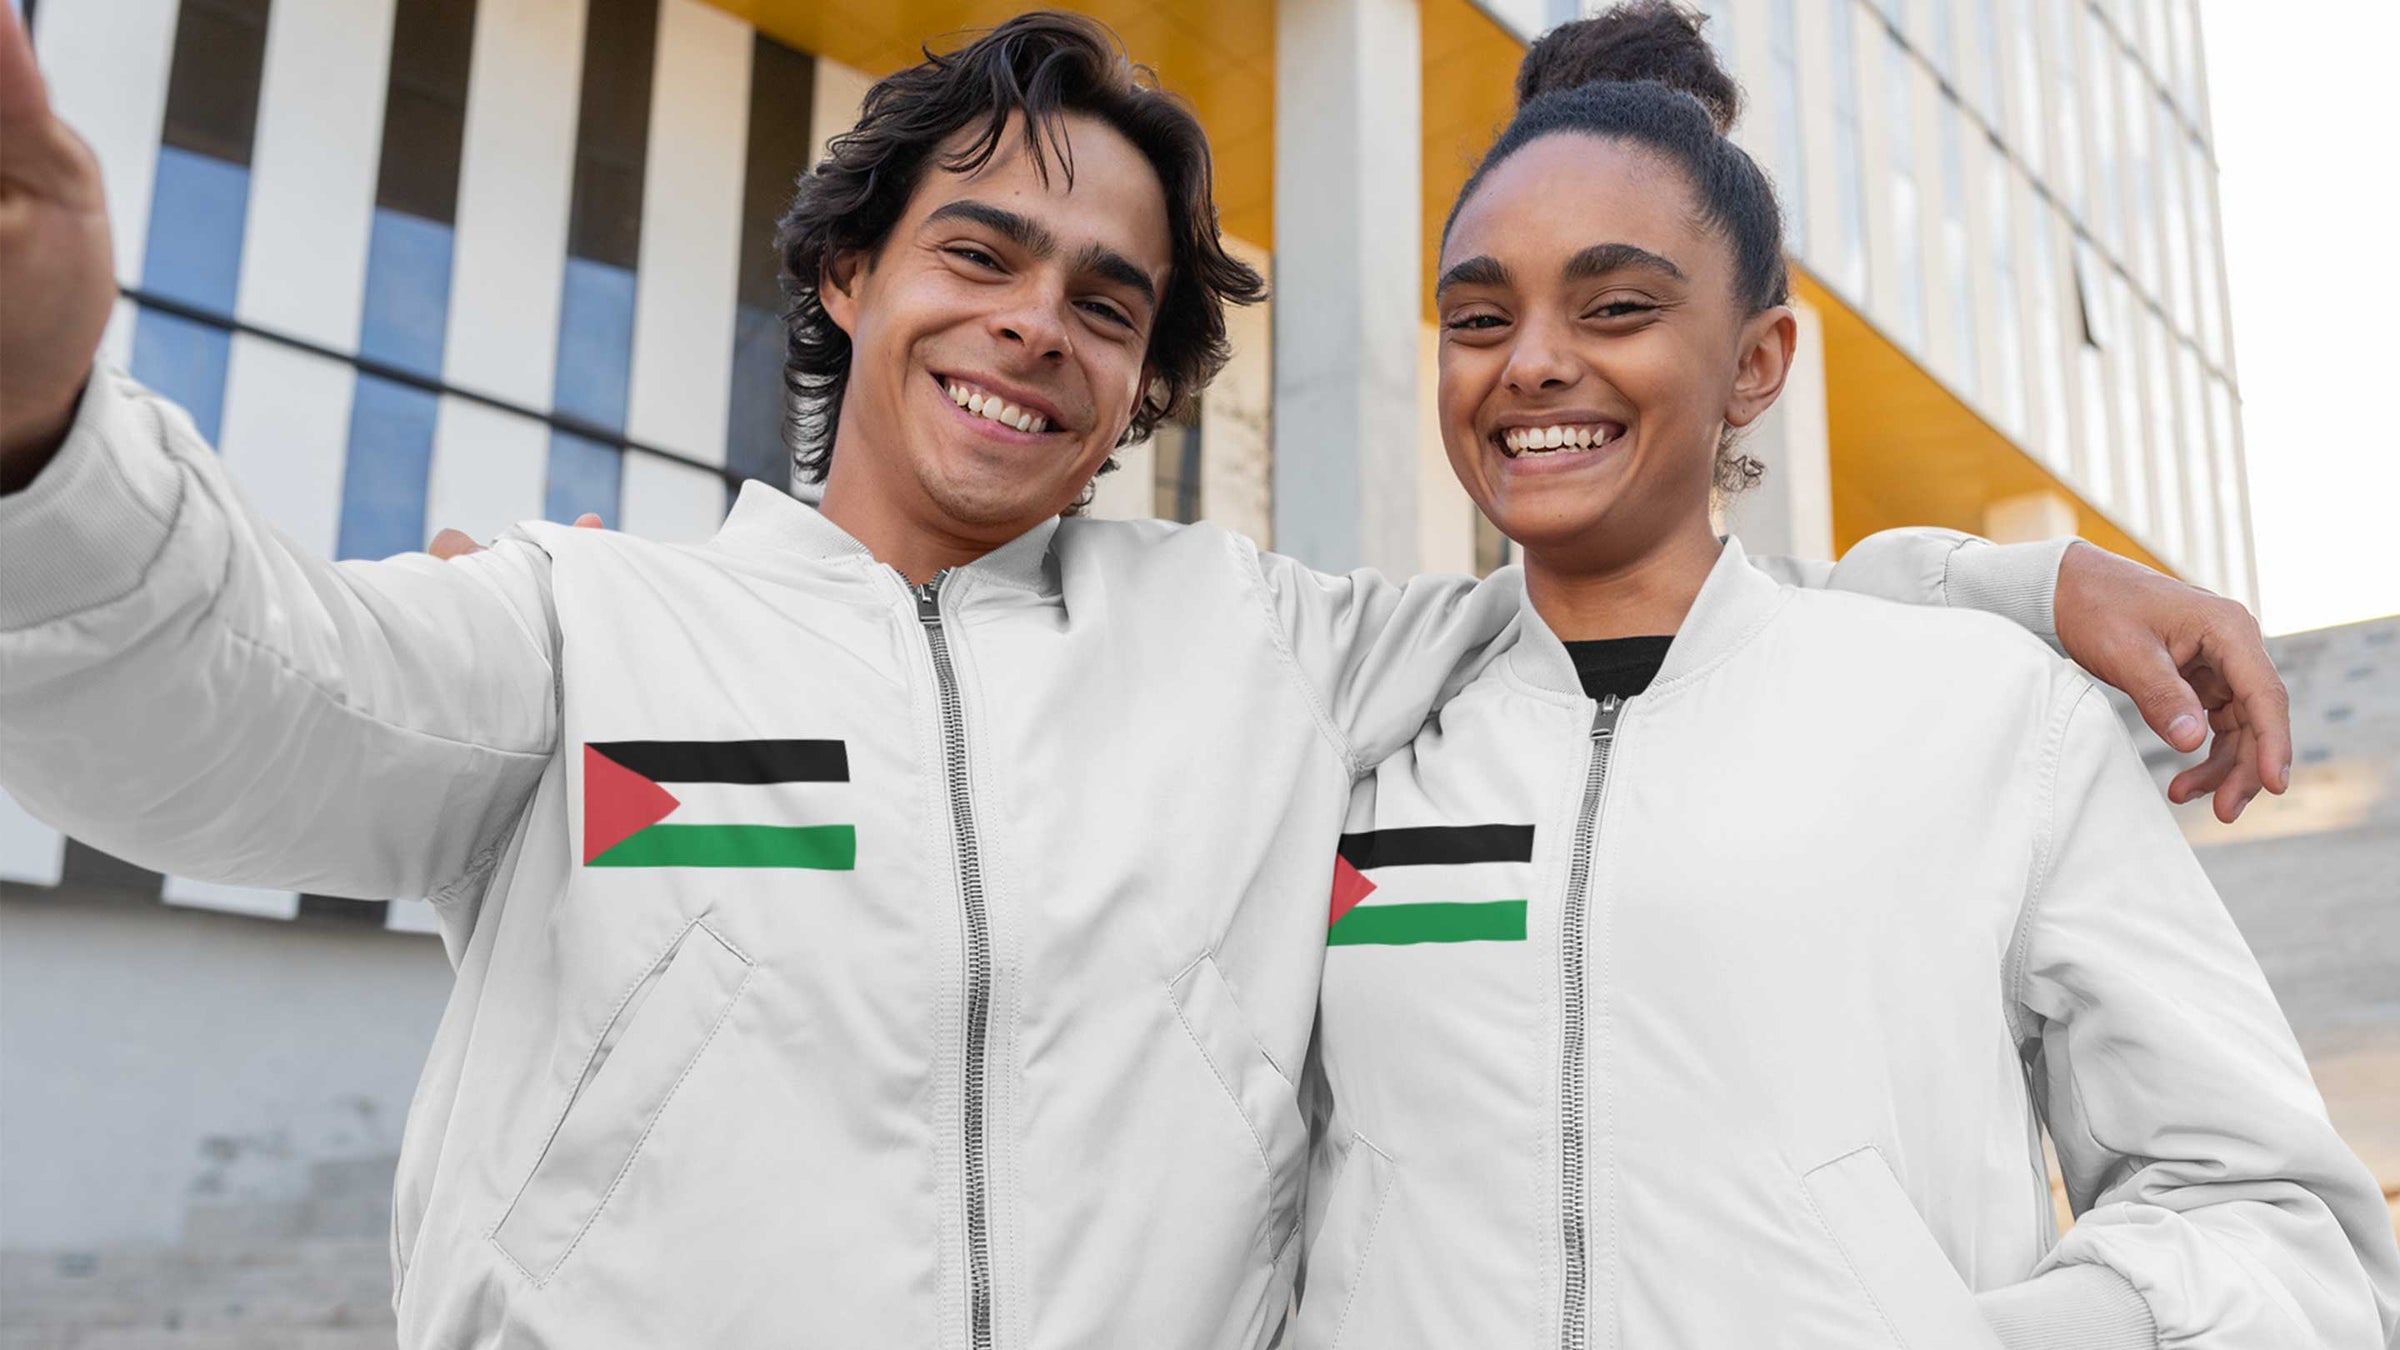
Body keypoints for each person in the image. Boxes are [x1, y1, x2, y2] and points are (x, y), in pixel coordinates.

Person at [0, 7, 2297, 1346]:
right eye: (979, 255)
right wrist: (41, 431)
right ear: (842, 284)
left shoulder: (1268, 656)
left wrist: (2005, 584)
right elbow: (228, 690)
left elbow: (1627, 606)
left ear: (1145, 386)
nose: (1036, 325)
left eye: (1109, 304)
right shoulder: (580, 631)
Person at [1294, 8, 2400, 1348]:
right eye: (1479, 314)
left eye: (1619, 305)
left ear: (1756, 362)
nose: (1530, 359)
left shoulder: (1988, 717)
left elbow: (2277, 1216)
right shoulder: (1359, 724)